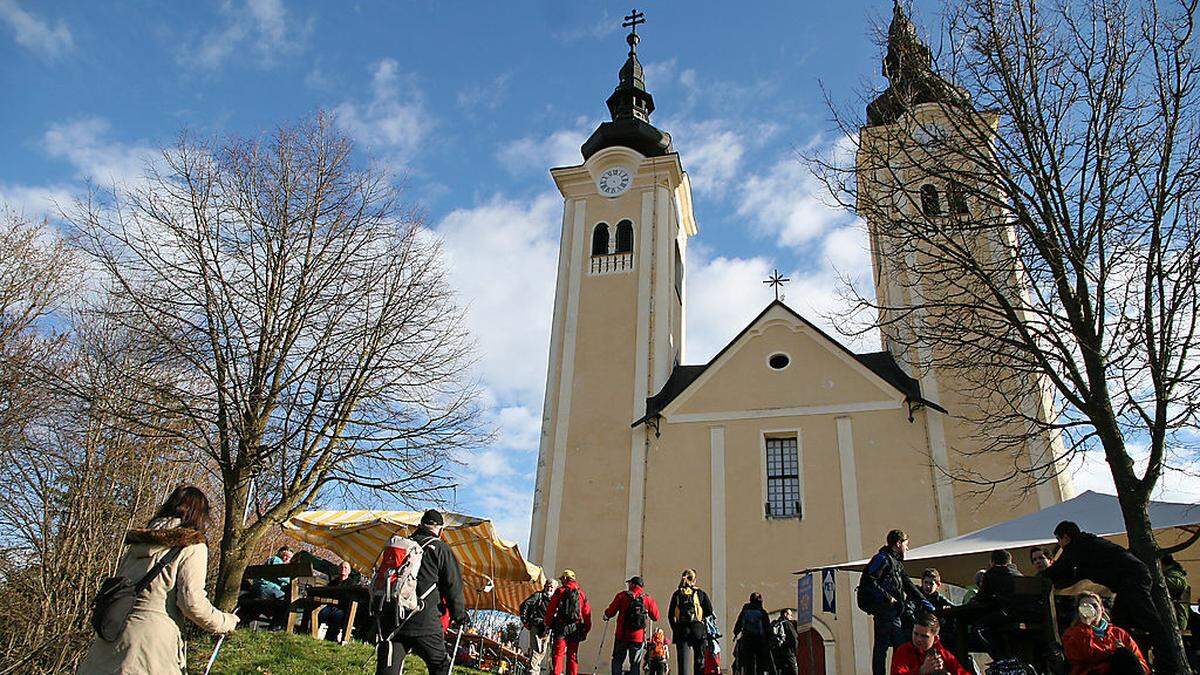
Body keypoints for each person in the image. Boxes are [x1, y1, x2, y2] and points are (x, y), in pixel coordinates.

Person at [79, 485, 239, 674]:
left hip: (108, 641)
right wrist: (225, 622)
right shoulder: (193, 545)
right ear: (199, 515)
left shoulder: (137, 544)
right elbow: (191, 602)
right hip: (150, 648)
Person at [1041, 521, 1168, 659]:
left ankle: (1167, 659)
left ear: (1066, 537)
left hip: (1131, 578)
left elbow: (1059, 568)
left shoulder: (1077, 546)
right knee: (1121, 622)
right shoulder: (1088, 543)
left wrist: (1039, 577)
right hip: (1132, 577)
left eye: (1059, 540)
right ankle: (1131, 657)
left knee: (1149, 620)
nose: (1059, 544)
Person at [375, 509, 468, 675]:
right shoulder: (440, 548)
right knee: (440, 665)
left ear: (420, 525)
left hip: (394, 616)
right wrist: (459, 615)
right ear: (440, 529)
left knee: (389, 667)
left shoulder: (402, 545)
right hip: (424, 620)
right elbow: (453, 585)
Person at [864, 529, 925, 675]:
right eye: (906, 544)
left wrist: (923, 601)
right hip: (885, 610)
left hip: (895, 611)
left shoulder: (896, 562)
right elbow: (869, 581)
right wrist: (887, 597)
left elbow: (907, 584)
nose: (907, 548)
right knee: (884, 647)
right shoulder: (882, 559)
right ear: (898, 543)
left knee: (898, 644)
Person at [1062, 591, 1149, 675]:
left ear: (1102, 609)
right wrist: (1086, 626)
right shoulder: (1072, 634)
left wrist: (1124, 655)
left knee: (1124, 654)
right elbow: (1082, 656)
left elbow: (1141, 664)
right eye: (1085, 607)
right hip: (1094, 672)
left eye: (1095, 606)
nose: (1091, 609)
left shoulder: (1118, 633)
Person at [604, 575, 661, 675]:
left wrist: (606, 614)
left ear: (633, 584)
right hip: (638, 638)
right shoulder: (647, 599)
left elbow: (611, 612)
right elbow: (656, 616)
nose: (628, 585)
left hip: (621, 635)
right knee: (635, 663)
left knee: (617, 660)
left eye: (629, 583)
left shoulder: (622, 596)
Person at [890, 612, 969, 675]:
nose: (918, 639)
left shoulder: (943, 654)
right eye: (915, 634)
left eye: (924, 636)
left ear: (935, 638)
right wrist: (921, 671)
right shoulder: (904, 651)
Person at [545, 569, 592, 675]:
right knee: (572, 655)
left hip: (561, 627)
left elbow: (551, 609)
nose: (561, 581)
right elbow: (587, 613)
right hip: (576, 627)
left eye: (562, 579)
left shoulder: (560, 591)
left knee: (558, 654)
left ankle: (557, 673)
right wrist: (586, 629)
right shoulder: (581, 593)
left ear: (566, 579)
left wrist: (548, 623)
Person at [668, 569, 715, 675]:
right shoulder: (700, 593)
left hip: (681, 630)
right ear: (695, 580)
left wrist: (675, 629)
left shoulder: (677, 594)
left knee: (683, 663)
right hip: (698, 630)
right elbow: (710, 611)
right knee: (699, 661)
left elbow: (670, 615)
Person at [521, 578, 560, 675]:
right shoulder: (538, 596)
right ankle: (532, 671)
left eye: (552, 587)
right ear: (545, 586)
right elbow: (525, 605)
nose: (550, 588)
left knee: (542, 651)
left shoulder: (554, 600)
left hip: (547, 629)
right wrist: (525, 621)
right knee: (536, 650)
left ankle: (533, 670)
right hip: (537, 626)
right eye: (548, 586)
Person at [733, 592, 775, 675]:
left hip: (747, 640)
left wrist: (735, 633)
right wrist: (770, 639)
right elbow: (767, 627)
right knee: (760, 663)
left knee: (748, 663)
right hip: (760, 640)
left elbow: (739, 623)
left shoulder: (745, 611)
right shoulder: (762, 612)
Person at [918, 569, 956, 653]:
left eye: (931, 584)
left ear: (938, 585)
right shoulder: (916, 596)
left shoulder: (940, 600)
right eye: (925, 583)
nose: (927, 586)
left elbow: (954, 608)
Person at [318, 560, 357, 642]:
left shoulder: (351, 584)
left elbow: (349, 598)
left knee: (337, 616)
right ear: (338, 569)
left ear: (349, 571)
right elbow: (326, 592)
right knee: (320, 614)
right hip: (330, 606)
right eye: (341, 567)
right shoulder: (333, 582)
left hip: (342, 608)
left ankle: (331, 638)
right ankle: (311, 633)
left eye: (346, 568)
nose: (343, 569)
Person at [1162, 554, 1191, 631]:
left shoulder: (1175, 573)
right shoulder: (1171, 572)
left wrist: (1155, 577)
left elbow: (1177, 584)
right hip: (1169, 620)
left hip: (1175, 621)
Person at [771, 609, 799, 675]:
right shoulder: (787, 624)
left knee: (782, 671)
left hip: (777, 653)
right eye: (790, 615)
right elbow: (794, 638)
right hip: (788, 653)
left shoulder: (775, 624)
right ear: (785, 614)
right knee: (793, 671)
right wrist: (794, 652)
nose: (791, 617)